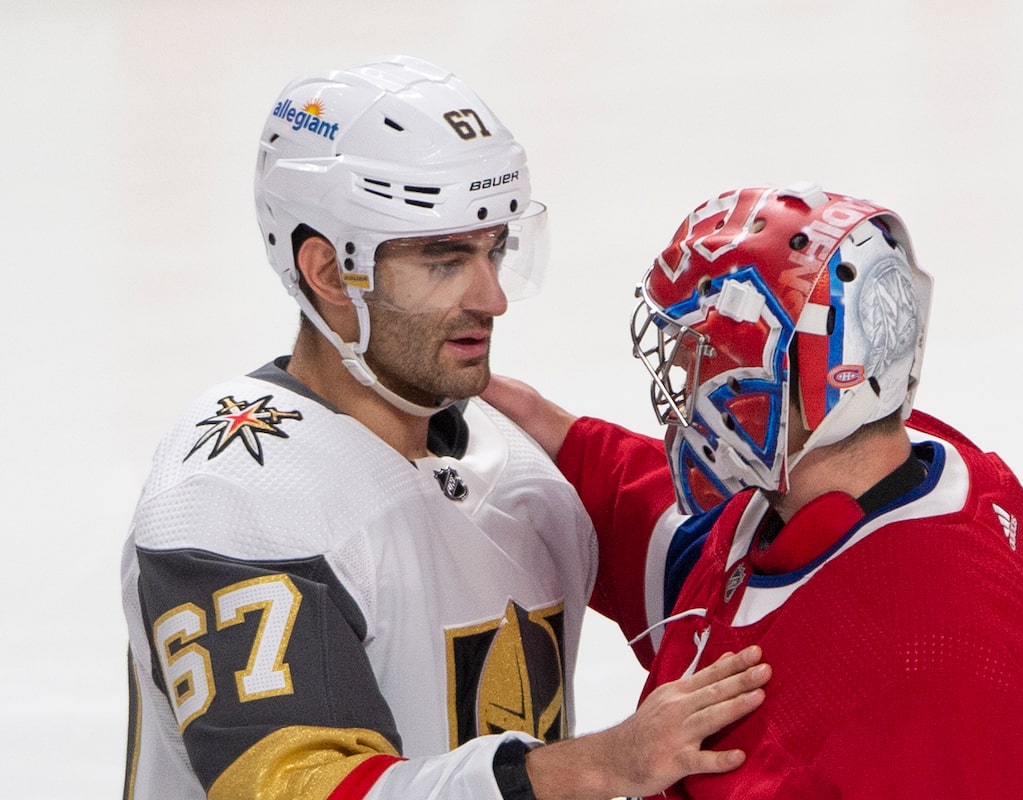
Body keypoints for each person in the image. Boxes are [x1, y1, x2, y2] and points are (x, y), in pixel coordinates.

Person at [119, 56, 771, 800]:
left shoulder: (523, 460)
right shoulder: (236, 488)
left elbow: (748, 579)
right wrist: (595, 766)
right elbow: (292, 788)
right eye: (443, 260)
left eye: (493, 250)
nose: (491, 297)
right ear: (330, 273)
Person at [484, 182, 1023, 797]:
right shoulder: (866, 478)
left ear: (809, 375)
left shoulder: (930, 669)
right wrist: (549, 431)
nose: (681, 378)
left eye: (705, 352)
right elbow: (714, 575)